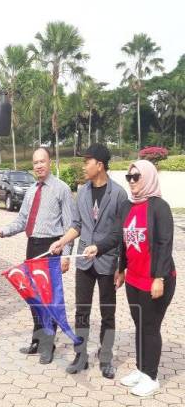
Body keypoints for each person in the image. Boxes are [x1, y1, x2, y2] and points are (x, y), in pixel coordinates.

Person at [84, 159, 176, 397]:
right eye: (129, 177)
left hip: (155, 279)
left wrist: (160, 278)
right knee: (139, 325)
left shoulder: (159, 207)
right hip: (134, 278)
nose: (132, 181)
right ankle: (140, 369)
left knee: (150, 326)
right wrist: (110, 258)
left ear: (148, 177)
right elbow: (119, 237)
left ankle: (151, 377)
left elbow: (165, 245)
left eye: (137, 177)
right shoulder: (127, 206)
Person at [48, 144, 128, 378]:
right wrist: (62, 242)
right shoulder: (82, 191)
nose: (84, 166)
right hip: (84, 261)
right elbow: (78, 225)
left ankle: (106, 358)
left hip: (107, 263)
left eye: (87, 161)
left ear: (100, 165)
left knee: (108, 313)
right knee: (82, 311)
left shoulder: (119, 194)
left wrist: (121, 267)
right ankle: (80, 355)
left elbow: (120, 235)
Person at [0, 147, 74, 365]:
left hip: (52, 247)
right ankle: (37, 340)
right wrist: (3, 231)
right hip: (33, 246)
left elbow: (70, 227)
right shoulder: (31, 191)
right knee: (33, 298)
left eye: (42, 161)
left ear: (50, 162)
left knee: (48, 298)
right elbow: (21, 221)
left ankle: (49, 345)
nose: (38, 166)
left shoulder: (61, 189)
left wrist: (66, 255)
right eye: (35, 162)